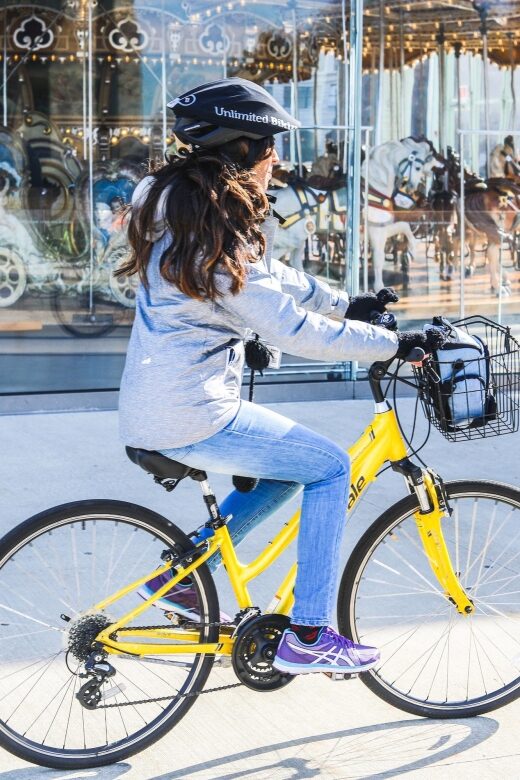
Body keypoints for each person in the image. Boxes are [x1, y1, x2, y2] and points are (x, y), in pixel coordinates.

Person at [117, 77, 444, 675]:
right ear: (240, 151)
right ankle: (311, 633)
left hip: (161, 401)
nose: (278, 161)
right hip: (193, 411)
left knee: (285, 472)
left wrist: (349, 304)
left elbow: (272, 279)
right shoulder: (210, 240)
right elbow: (295, 329)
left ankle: (183, 581)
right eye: (270, 148)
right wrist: (391, 344)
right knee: (328, 466)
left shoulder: (186, 214)